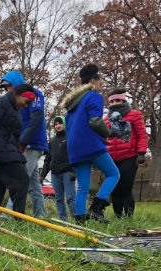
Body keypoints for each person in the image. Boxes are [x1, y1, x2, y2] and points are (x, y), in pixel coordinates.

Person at [60, 64, 120, 223]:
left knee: (83, 186)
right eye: (100, 82)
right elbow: (95, 121)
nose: (101, 85)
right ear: (94, 80)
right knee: (114, 174)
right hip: (90, 144)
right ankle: (96, 208)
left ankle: (80, 219)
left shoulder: (72, 104)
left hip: (74, 147)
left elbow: (69, 126)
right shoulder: (93, 96)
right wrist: (108, 133)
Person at [0, 83, 35, 219]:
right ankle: (19, 220)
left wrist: (20, 157)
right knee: (22, 181)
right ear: (19, 95)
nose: (26, 106)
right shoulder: (0, 103)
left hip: (5, 151)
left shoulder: (13, 109)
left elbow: (12, 137)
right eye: (26, 102)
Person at [0, 71, 48, 218]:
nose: (7, 90)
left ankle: (8, 216)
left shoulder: (35, 94)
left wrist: (22, 142)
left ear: (15, 83)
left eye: (8, 86)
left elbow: (36, 119)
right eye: (5, 88)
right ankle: (41, 217)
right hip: (23, 144)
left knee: (18, 178)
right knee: (33, 186)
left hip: (33, 144)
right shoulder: (13, 100)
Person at [104, 89, 148, 218]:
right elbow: (104, 139)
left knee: (126, 187)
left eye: (117, 100)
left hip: (129, 156)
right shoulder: (107, 119)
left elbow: (142, 135)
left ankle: (128, 216)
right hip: (111, 158)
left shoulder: (134, 115)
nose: (114, 103)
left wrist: (141, 152)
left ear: (123, 100)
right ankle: (118, 215)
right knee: (115, 189)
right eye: (112, 101)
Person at [40, 116, 75, 220]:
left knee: (70, 198)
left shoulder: (70, 137)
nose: (58, 126)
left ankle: (78, 219)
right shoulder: (52, 141)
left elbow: (75, 154)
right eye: (55, 124)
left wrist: (74, 170)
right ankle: (63, 219)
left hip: (68, 172)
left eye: (60, 123)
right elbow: (47, 159)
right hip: (55, 174)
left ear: (64, 124)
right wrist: (42, 175)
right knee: (59, 198)